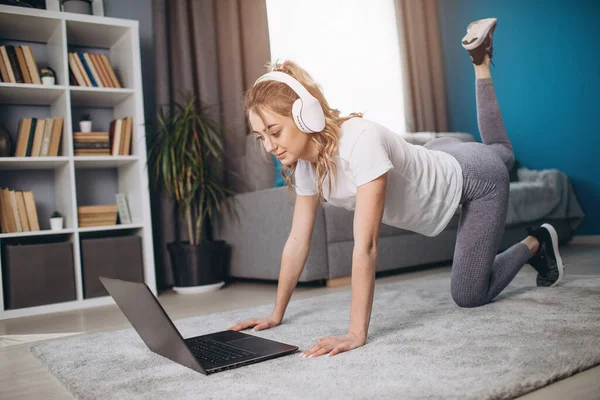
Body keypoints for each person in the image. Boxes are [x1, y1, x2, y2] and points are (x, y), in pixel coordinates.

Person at [229, 18, 564, 359]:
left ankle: (537, 241)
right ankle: (481, 63)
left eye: (274, 131)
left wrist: (355, 333)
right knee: (502, 152)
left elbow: (367, 246)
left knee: (469, 294)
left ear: (306, 116)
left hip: (475, 179)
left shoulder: (360, 141)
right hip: (438, 154)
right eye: (261, 137)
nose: (269, 146)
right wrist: (275, 313)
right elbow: (297, 241)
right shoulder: (305, 165)